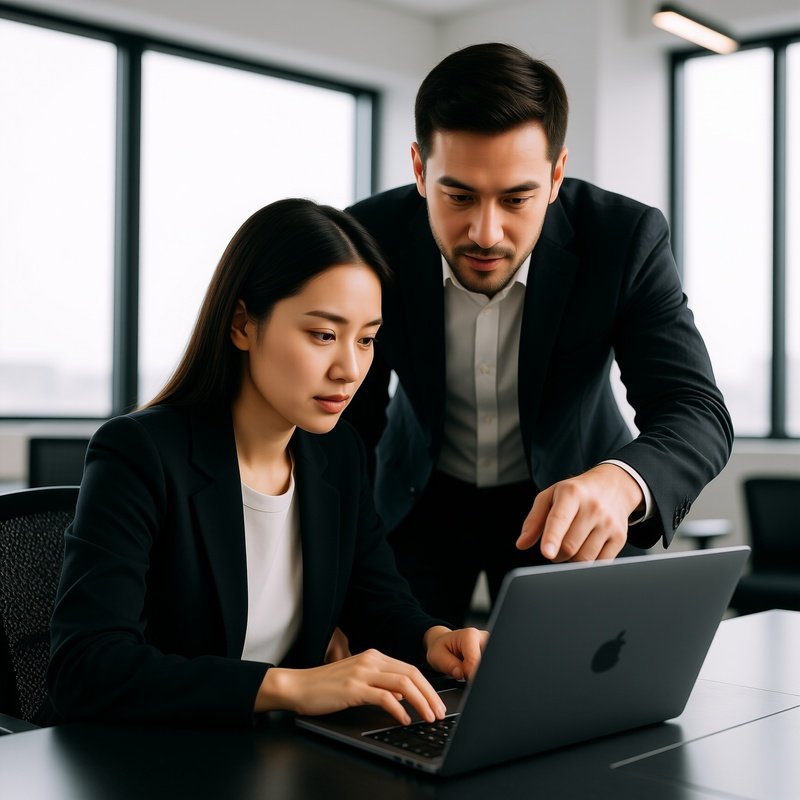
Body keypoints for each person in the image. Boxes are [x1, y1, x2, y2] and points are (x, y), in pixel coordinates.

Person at [46, 198, 486, 727]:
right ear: (242, 325)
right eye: (323, 334)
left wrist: (433, 638)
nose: (349, 368)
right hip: (144, 758)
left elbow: (377, 599)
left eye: (366, 339)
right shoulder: (139, 453)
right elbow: (87, 668)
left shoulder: (336, 453)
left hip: (266, 755)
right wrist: (291, 686)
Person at [344, 42, 733, 626]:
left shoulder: (624, 239)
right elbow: (347, 416)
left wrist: (623, 481)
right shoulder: (367, 237)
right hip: (413, 505)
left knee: (578, 704)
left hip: (567, 506)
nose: (485, 232)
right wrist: (331, 561)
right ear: (420, 170)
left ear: (555, 176)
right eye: (459, 196)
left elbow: (694, 408)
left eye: (516, 198)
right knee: (396, 698)